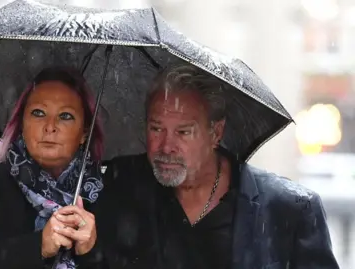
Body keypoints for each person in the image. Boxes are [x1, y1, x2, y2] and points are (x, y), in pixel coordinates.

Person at [98, 65, 340, 269]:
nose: (166, 146)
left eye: (183, 132)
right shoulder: (124, 183)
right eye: (156, 128)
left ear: (216, 133)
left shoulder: (289, 209)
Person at [0, 66, 105, 269]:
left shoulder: (108, 199)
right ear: (22, 124)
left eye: (65, 116)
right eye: (38, 113)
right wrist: (37, 246)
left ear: (85, 132)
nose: (50, 126)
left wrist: (90, 254)